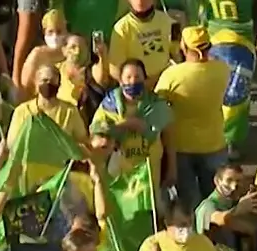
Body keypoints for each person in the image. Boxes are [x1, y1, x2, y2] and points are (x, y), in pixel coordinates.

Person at [156, 26, 231, 211]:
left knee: (189, 203)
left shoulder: (172, 75)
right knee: (217, 201)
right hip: (215, 143)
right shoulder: (222, 70)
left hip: (182, 147)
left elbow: (158, 104)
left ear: (185, 47)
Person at [91, 59, 168, 188]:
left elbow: (161, 132)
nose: (133, 81)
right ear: (120, 81)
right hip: (119, 170)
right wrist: (123, 126)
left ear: (145, 79)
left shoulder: (156, 103)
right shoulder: (109, 105)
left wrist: (171, 168)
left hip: (148, 169)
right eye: (128, 77)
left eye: (137, 77)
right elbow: (96, 129)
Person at [107, 0, 177, 87]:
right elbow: (115, 69)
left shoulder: (170, 22)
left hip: (167, 83)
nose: (140, 1)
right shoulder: (121, 28)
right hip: (137, 88)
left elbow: (177, 57)